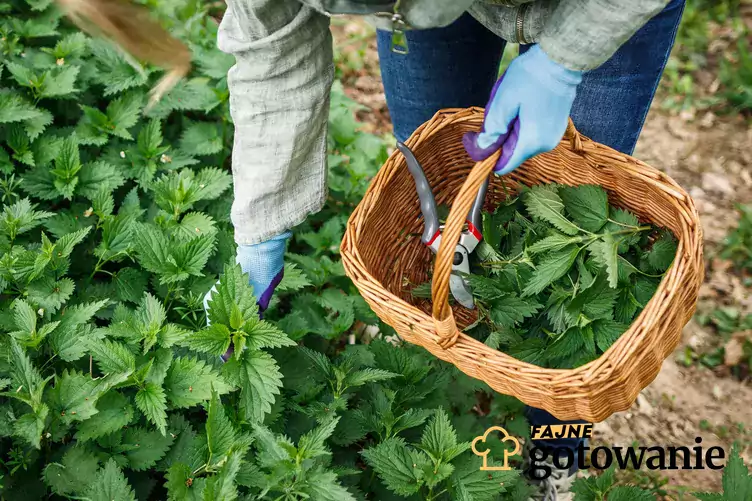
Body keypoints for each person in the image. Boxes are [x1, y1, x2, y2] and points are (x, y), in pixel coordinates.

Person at [57, 1, 686, 499]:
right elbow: (274, 48)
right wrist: (261, 228)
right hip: (434, 14)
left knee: (585, 207)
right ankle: (448, 392)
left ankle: (553, 456)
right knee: (432, 199)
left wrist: (564, 59)